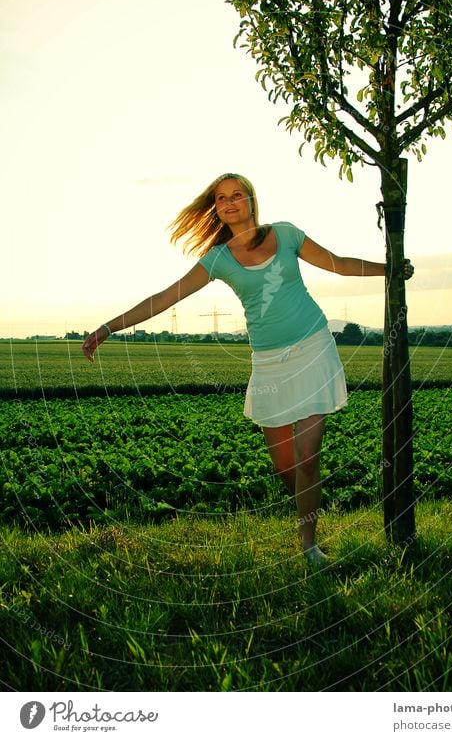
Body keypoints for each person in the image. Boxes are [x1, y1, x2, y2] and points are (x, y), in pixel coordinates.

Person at [83, 173, 414, 567]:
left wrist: (390, 268)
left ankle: (309, 545)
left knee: (308, 458)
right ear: (217, 210)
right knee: (284, 464)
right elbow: (164, 297)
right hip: (269, 364)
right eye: (221, 198)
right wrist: (108, 327)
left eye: (237, 194)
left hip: (313, 348)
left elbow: (339, 264)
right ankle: (308, 506)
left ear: (252, 200)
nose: (230, 202)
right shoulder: (218, 259)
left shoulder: (286, 234)